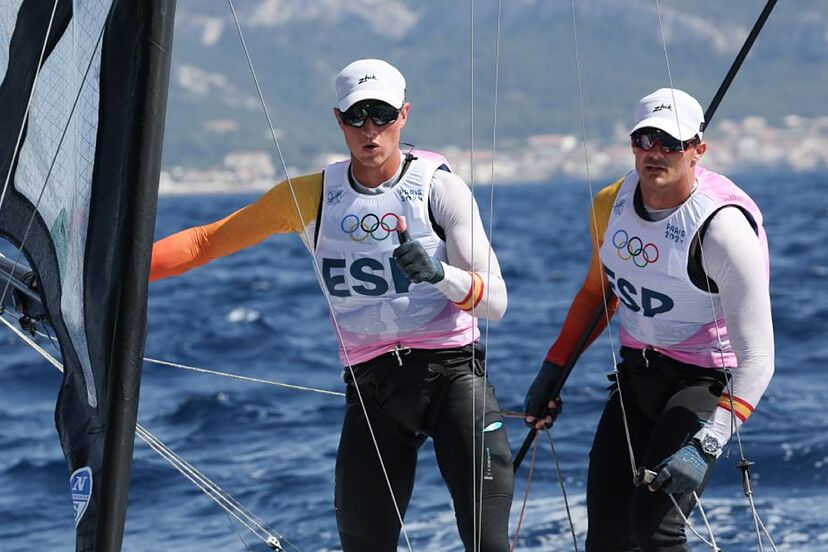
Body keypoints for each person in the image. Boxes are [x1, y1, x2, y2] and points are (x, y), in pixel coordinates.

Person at [150, 58, 514, 551]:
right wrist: (110, 272)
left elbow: (495, 302)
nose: (370, 129)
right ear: (338, 120)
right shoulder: (310, 197)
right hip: (372, 387)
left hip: (454, 376)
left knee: (489, 545)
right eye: (356, 116)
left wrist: (439, 273)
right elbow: (202, 244)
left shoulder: (439, 189)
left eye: (381, 115)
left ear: (403, 115)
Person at [523, 88, 774, 551]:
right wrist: (553, 370)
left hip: (703, 382)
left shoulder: (723, 230)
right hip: (637, 376)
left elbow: (758, 358)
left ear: (698, 149)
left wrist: (708, 442)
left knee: (656, 530)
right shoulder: (610, 204)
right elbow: (599, 294)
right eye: (645, 139)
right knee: (606, 534)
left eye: (671, 143)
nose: (655, 153)